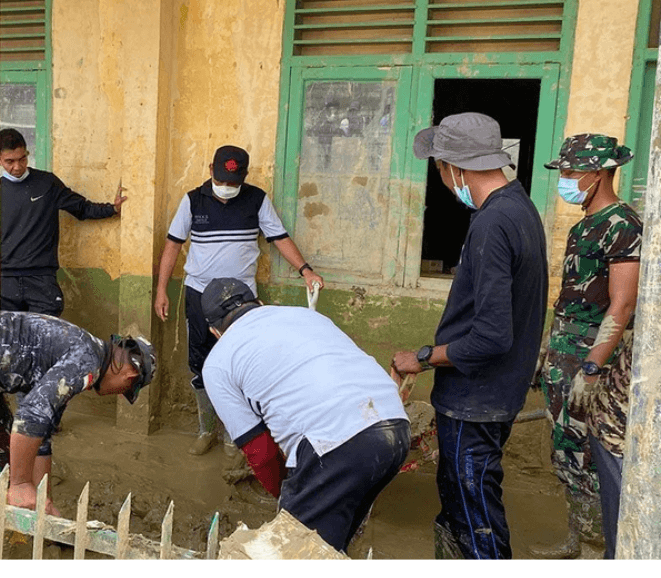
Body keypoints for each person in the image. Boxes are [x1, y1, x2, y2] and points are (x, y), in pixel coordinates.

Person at [390, 112, 548, 559]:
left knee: (476, 517)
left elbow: (492, 336)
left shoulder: (492, 224)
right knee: (463, 506)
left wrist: (423, 357)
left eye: (439, 167)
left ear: (455, 167)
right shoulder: (520, 207)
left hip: (475, 400)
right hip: (494, 394)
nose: (440, 177)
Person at [0, 311, 155, 558]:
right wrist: (21, 484)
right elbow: (29, 417)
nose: (119, 393)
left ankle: (12, 536)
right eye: (125, 390)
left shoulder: (84, 351)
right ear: (130, 376)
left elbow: (41, 434)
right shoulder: (87, 362)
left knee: (3, 456)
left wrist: (42, 500)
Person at [198, 277, 409, 553]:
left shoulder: (217, 363)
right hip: (395, 425)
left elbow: (259, 451)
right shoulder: (304, 315)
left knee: (297, 549)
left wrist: (286, 501)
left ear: (215, 331)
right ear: (259, 304)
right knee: (329, 548)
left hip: (336, 443)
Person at [154, 145, 324, 456]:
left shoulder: (256, 200)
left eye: (234, 183)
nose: (227, 188)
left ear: (243, 178)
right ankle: (206, 430)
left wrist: (305, 270)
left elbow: (279, 237)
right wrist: (161, 289)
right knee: (201, 363)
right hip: (199, 295)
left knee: (241, 365)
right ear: (210, 170)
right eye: (223, 181)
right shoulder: (193, 201)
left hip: (241, 300)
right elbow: (173, 245)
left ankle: (238, 436)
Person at [534, 134, 641, 560]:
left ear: (598, 174)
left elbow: (623, 302)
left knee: (590, 459)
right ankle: (577, 540)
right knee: (566, 454)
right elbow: (571, 296)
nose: (564, 179)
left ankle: (600, 553)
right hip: (564, 353)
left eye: (570, 172)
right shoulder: (583, 225)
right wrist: (548, 351)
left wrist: (593, 368)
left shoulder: (623, 225)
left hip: (591, 361)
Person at [0, 128, 126, 316]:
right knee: (5, 340)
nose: (17, 167)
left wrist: (112, 209)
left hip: (41, 278)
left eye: (22, 159)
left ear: (27, 153)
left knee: (46, 339)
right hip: (4, 280)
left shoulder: (47, 183)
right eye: (10, 162)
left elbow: (81, 208)